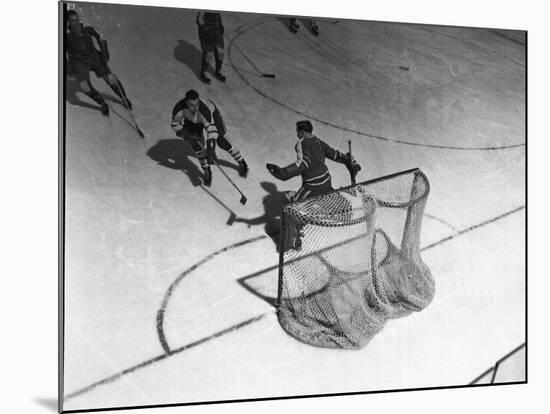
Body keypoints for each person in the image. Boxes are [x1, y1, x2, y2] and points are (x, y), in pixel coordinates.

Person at [266, 120, 360, 202]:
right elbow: (333, 154)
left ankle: (296, 202)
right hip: (327, 181)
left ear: (302, 132)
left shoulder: (301, 143)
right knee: (328, 194)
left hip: (312, 187)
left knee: (293, 206)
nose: (297, 134)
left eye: (297, 131)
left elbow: (302, 164)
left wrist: (283, 173)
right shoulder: (317, 141)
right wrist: (348, 160)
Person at [171, 89, 248, 187]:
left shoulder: (204, 110)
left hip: (212, 117)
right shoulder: (179, 109)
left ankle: (241, 160)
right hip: (192, 121)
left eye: (197, 104)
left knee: (221, 140)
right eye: (192, 105)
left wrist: (211, 148)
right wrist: (187, 135)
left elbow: (211, 129)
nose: (195, 108)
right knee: (196, 144)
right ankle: (207, 170)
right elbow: (175, 124)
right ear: (186, 103)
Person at [65, 9, 133, 116]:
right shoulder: (64, 34)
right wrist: (67, 66)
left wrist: (104, 51)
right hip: (78, 62)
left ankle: (123, 97)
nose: (76, 23)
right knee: (84, 86)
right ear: (68, 23)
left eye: (77, 20)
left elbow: (100, 35)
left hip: (94, 57)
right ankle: (102, 103)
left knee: (111, 78)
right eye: (73, 21)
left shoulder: (86, 28)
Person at [196, 12, 226, 84]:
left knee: (220, 53)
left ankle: (218, 71)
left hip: (217, 32)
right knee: (209, 54)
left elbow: (218, 16)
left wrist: (221, 28)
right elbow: (199, 19)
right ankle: (203, 72)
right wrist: (207, 31)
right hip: (207, 32)